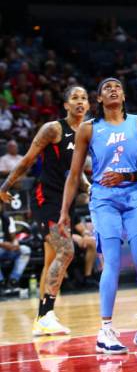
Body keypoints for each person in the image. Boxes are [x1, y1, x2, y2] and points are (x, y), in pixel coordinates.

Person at [58, 78, 137, 354]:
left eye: (117, 87)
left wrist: (125, 176)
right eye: (106, 88)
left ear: (124, 95)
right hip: (104, 200)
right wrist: (64, 212)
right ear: (99, 99)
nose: (113, 89)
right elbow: (74, 175)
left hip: (135, 195)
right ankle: (105, 330)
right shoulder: (88, 130)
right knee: (111, 262)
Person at [0, 86, 89, 335]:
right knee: (67, 251)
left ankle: (42, 319)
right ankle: (47, 313)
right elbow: (28, 159)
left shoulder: (86, 132)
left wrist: (89, 187)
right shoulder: (54, 128)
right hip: (45, 199)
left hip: (64, 203)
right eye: (75, 98)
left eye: (84, 98)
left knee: (52, 260)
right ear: (66, 105)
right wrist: (4, 186)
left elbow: (77, 170)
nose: (80, 102)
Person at [0, 200, 31, 296]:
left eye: (1, 204)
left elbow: (13, 237)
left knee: (25, 250)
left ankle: (13, 280)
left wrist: (15, 244)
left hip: (6, 248)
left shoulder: (7, 218)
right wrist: (3, 244)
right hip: (3, 246)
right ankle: (1, 283)